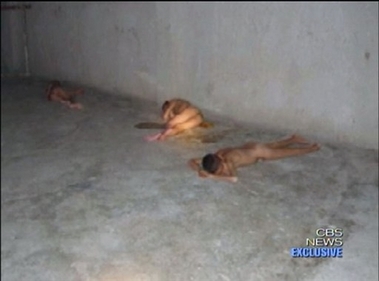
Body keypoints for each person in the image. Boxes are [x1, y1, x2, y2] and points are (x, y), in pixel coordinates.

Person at [188, 134, 320, 183]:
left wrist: (213, 177)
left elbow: (233, 178)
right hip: (250, 147)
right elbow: (191, 161)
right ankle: (293, 139)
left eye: (220, 170)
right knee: (274, 146)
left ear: (221, 163)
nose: (221, 171)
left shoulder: (228, 162)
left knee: (283, 153)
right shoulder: (216, 155)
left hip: (257, 152)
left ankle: (312, 148)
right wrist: (198, 170)